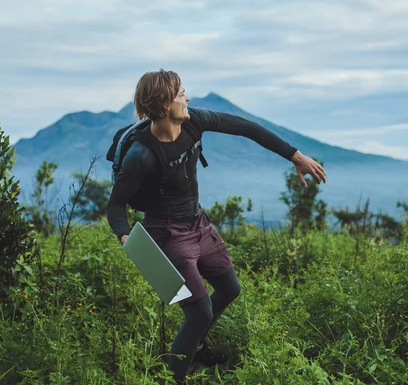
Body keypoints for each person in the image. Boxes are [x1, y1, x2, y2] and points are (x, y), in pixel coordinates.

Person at [106, 69, 327, 382]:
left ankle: (194, 344)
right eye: (181, 93)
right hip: (167, 236)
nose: (188, 97)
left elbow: (246, 128)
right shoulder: (141, 156)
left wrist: (295, 155)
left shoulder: (194, 120)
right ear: (165, 105)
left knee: (229, 288)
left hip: (199, 224)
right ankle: (175, 376)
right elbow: (115, 204)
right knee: (199, 314)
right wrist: (127, 237)